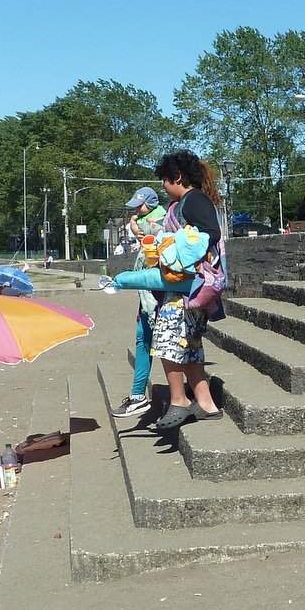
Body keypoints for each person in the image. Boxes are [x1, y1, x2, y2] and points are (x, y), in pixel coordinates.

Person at [150, 150, 226, 431]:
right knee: (189, 344)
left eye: (165, 181)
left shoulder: (193, 200)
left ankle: (179, 399)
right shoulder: (187, 202)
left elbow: (210, 234)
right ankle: (206, 404)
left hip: (188, 287)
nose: (164, 187)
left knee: (165, 341)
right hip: (186, 288)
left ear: (177, 177)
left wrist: (174, 245)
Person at [111, 186, 167, 420]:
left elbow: (150, 233)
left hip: (159, 298)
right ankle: (137, 395)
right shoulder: (147, 224)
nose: (135, 209)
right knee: (143, 340)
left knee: (153, 343)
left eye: (140, 205)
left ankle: (180, 393)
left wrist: (135, 226)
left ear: (151, 203)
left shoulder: (161, 220)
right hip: (148, 300)